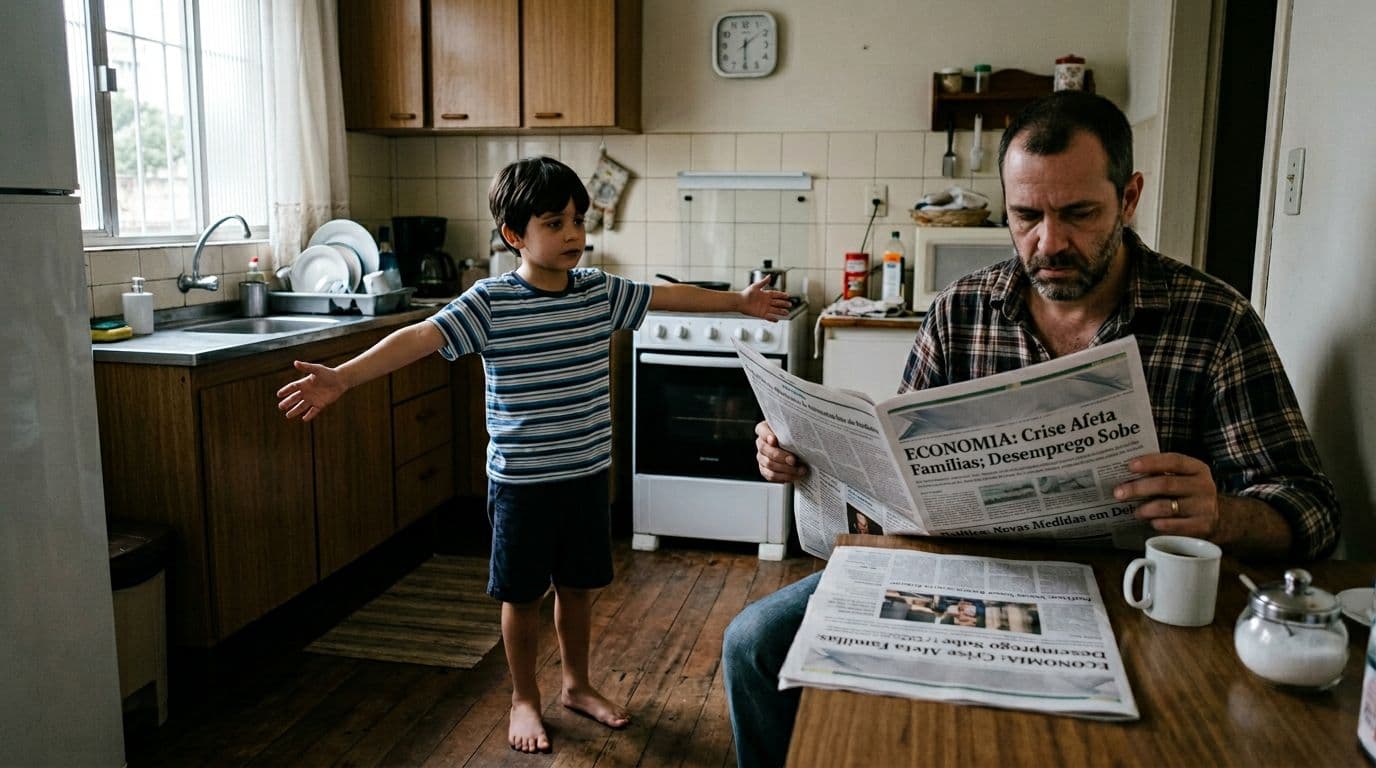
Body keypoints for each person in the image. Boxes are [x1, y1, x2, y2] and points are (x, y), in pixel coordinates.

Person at [723, 91, 1340, 767]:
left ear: (1128, 198)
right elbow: (897, 470)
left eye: (1078, 214)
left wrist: (1220, 514)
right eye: (1025, 217)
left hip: (1126, 591)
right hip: (958, 574)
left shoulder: (1214, 321)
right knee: (753, 643)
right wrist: (804, 455)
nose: (1048, 243)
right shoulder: (963, 310)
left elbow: (1311, 510)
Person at [276, 156, 791, 754]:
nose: (573, 234)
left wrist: (739, 304)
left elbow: (663, 295)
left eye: (578, 220)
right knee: (521, 598)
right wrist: (342, 377)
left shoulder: (598, 292)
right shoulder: (489, 302)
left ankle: (577, 685)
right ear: (515, 235)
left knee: (578, 588)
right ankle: (524, 697)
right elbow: (418, 337)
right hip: (521, 482)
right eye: (555, 223)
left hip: (585, 477)